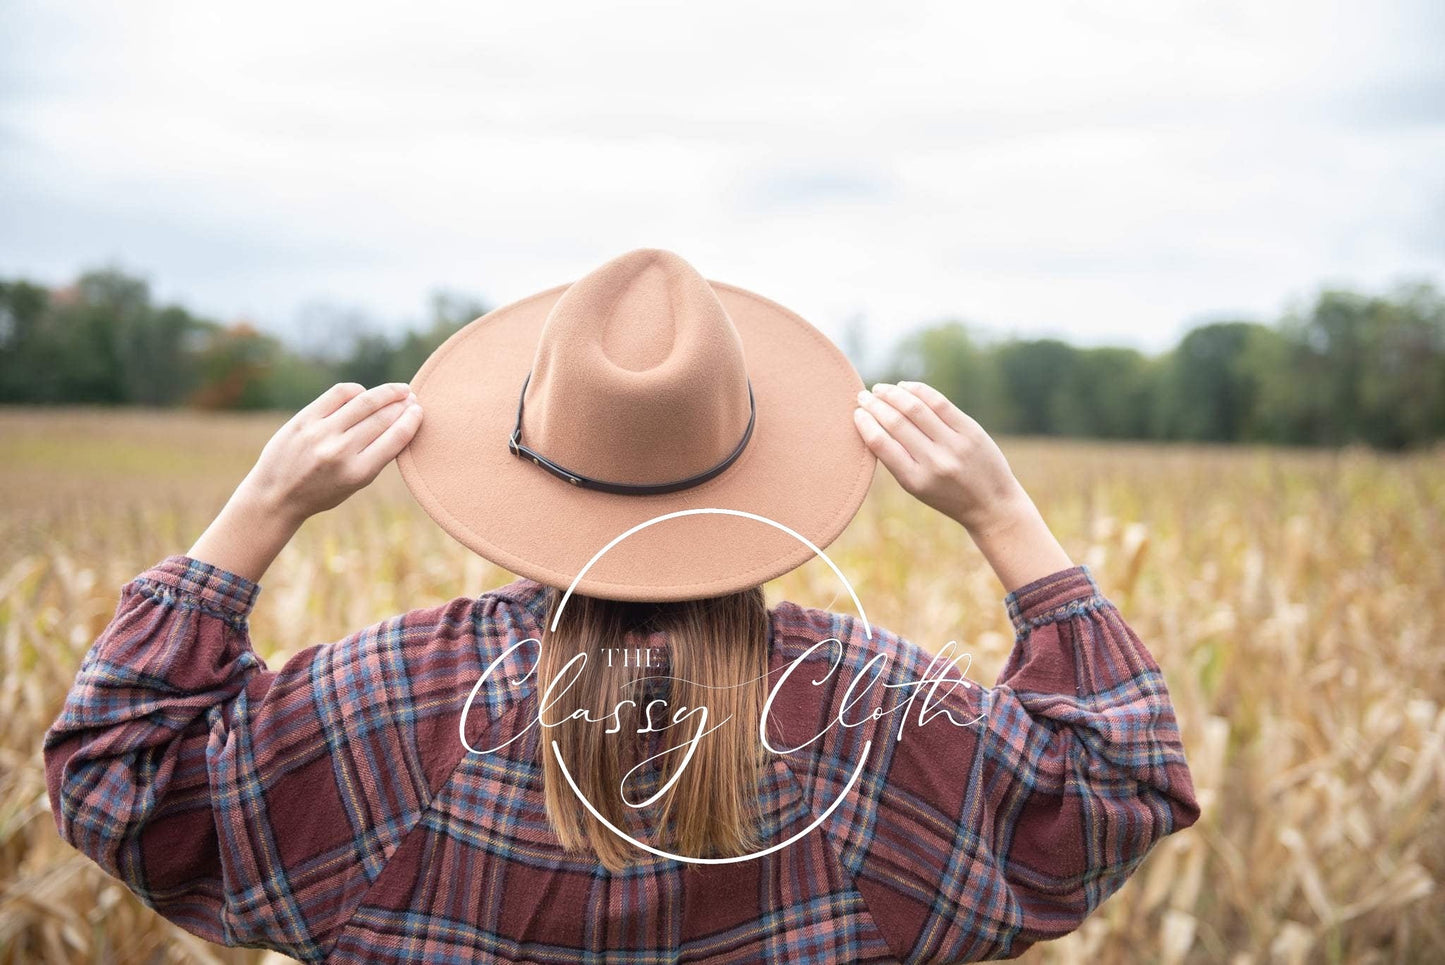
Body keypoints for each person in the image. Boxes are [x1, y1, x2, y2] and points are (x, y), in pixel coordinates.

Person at [44, 249, 1199, 964]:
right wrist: (1004, 518)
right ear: (753, 465)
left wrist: (255, 513)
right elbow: (1116, 786)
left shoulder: (390, 699)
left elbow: (118, 779)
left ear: (525, 463)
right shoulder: (863, 712)